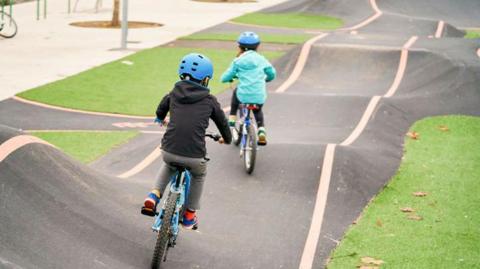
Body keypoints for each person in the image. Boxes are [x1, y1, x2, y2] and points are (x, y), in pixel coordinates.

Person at [141, 53, 232, 229]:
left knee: (169, 165)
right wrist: (226, 139)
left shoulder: (174, 93)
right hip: (194, 156)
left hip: (169, 150)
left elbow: (161, 108)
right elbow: (223, 123)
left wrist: (161, 119)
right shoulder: (209, 101)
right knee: (199, 175)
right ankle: (190, 214)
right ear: (206, 79)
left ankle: (153, 196)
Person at [221, 31, 276, 145]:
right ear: (257, 46)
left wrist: (231, 77)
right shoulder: (262, 60)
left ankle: (231, 123)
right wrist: (267, 79)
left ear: (240, 46)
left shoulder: (238, 61)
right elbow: (272, 74)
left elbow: (224, 78)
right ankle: (261, 131)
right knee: (257, 110)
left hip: (243, 95)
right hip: (259, 96)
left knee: (236, 93)